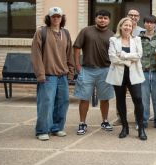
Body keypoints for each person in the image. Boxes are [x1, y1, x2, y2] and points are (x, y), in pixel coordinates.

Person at [31, 7, 75, 140]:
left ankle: (56, 128)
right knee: (46, 103)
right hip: (48, 76)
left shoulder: (65, 33)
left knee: (63, 102)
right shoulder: (41, 32)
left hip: (62, 76)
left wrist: (71, 72)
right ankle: (42, 131)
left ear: (62, 18)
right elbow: (36, 54)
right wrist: (40, 74)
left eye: (58, 16)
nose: (56, 18)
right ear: (49, 18)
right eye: (53, 16)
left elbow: (70, 54)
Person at [73, 9, 115, 135]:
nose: (102, 20)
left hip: (105, 70)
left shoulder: (112, 35)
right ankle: (82, 123)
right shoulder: (86, 31)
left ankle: (105, 121)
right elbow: (76, 47)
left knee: (105, 98)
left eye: (105, 18)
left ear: (109, 20)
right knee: (84, 98)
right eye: (100, 17)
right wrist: (77, 65)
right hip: (87, 70)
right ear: (95, 18)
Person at [106, 17, 146, 140]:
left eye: (130, 26)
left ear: (132, 28)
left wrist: (123, 55)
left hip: (134, 74)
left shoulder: (137, 39)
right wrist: (128, 61)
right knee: (120, 100)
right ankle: (125, 127)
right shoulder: (113, 40)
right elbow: (113, 58)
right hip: (118, 75)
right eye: (125, 25)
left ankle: (141, 128)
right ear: (120, 26)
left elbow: (138, 55)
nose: (127, 27)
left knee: (138, 99)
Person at [139, 15, 156, 130]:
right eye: (147, 22)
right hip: (142, 72)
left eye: (152, 23)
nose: (149, 25)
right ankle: (142, 121)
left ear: (155, 24)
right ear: (144, 23)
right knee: (143, 99)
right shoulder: (138, 38)